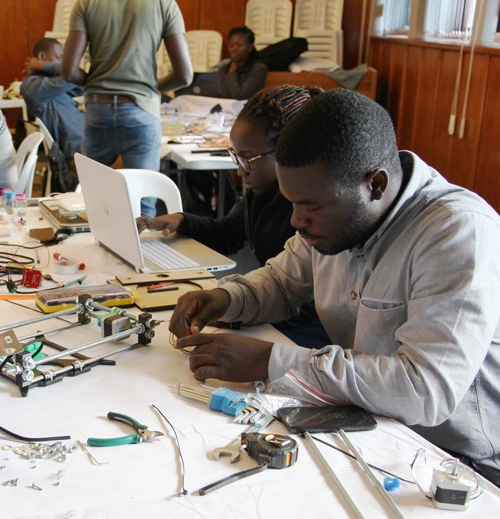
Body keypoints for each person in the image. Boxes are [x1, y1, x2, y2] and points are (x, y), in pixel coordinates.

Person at [169, 89, 500, 485]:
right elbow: (279, 281)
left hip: (456, 461)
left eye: (311, 206)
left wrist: (274, 362)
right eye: (292, 203)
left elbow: (425, 390)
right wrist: (225, 297)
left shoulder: (457, 233)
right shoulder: (337, 220)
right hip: (372, 425)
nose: (296, 220)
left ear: (375, 185)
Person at [138, 85, 330, 348]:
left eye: (248, 159)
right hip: (270, 314)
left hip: (303, 333)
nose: (240, 171)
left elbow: (305, 303)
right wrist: (182, 221)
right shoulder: (260, 190)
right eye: (235, 157)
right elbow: (230, 233)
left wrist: (236, 320)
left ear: (287, 152)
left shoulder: (313, 212)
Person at [62, 0, 193, 217]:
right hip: (141, 111)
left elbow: (69, 71)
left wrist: (96, 83)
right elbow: (184, 75)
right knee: (143, 205)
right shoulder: (164, 2)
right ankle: (144, 252)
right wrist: (150, 87)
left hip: (98, 110)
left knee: (93, 201)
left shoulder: (87, 1)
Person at [20, 37, 84, 161]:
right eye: (59, 57)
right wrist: (44, 66)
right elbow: (74, 74)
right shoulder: (31, 87)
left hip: (90, 137)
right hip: (80, 149)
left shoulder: (54, 83)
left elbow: (82, 79)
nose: (63, 63)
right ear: (42, 55)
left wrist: (42, 65)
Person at [178, 26, 267, 100]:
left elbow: (241, 96)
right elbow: (220, 93)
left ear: (250, 47)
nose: (234, 49)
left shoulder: (258, 69)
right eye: (231, 45)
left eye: (239, 45)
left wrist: (232, 73)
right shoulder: (224, 68)